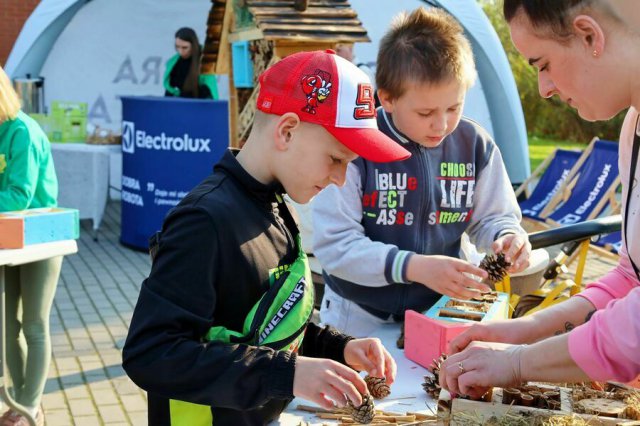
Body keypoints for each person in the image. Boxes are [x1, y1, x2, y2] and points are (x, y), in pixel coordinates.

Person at [122, 50, 409, 425]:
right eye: (336, 158)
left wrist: (341, 348)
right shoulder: (204, 220)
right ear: (287, 131)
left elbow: (271, 328)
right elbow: (151, 353)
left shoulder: (275, 204)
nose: (340, 179)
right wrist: (286, 374)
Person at [440, 0, 640, 399]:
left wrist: (517, 363)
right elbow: (630, 278)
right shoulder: (633, 126)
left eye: (542, 64)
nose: (544, 90)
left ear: (589, 36)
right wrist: (524, 331)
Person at [312, 7, 531, 338]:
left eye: (454, 108)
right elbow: (335, 246)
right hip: (358, 317)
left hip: (440, 312)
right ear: (387, 99)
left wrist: (506, 238)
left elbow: (493, 217)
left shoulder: (475, 146)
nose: (441, 125)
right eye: (426, 112)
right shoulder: (353, 149)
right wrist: (414, 267)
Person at [0, 65, 61, 426]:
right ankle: (20, 401)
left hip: (41, 237)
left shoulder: (23, 131)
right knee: (7, 326)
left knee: (34, 324)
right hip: (8, 240)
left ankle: (31, 406)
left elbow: (19, 196)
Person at [164, 27, 217, 99]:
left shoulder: (205, 61)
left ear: (193, 45)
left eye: (185, 47)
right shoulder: (173, 63)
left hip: (201, 105)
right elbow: (169, 89)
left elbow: (208, 90)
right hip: (177, 105)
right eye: (177, 47)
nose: (180, 51)